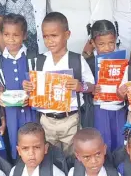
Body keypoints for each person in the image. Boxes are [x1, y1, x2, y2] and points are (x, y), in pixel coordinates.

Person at [22, 12, 95, 155]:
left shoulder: (76, 60)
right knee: (51, 157)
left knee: (74, 156)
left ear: (67, 34)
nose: (49, 41)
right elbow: (34, 88)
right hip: (46, 121)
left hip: (71, 120)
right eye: (45, 36)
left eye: (54, 36)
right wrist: (29, 87)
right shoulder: (41, 60)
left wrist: (80, 86)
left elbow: (92, 86)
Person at [0, 14, 37, 159]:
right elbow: (1, 85)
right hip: (12, 114)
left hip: (32, 111)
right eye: (6, 34)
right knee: (15, 143)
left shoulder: (34, 58)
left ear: (24, 35)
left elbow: (42, 83)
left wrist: (33, 92)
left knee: (35, 142)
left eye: (16, 35)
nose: (11, 39)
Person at [89, 20, 127, 152]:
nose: (107, 48)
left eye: (111, 43)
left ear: (116, 40)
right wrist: (91, 89)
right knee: (103, 144)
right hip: (100, 110)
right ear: (93, 43)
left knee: (121, 143)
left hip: (119, 108)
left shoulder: (123, 61)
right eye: (101, 44)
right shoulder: (89, 63)